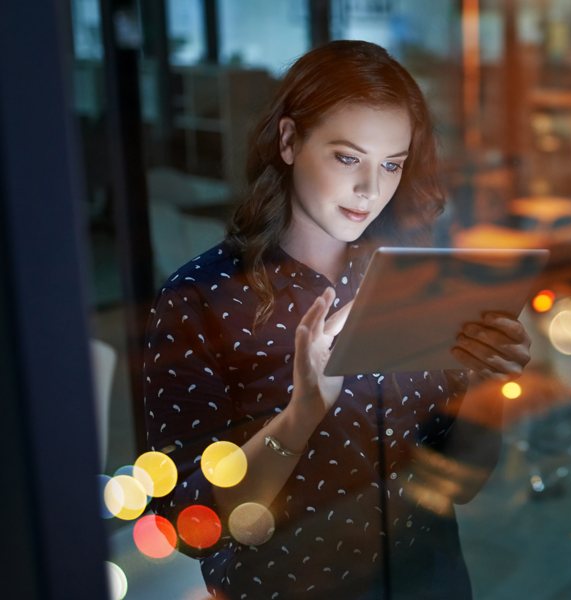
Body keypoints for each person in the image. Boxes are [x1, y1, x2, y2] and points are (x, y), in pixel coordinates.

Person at [142, 40, 530, 599]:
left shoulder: (410, 280)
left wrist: (488, 382)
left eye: (391, 164)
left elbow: (457, 482)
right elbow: (187, 522)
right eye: (348, 157)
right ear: (290, 140)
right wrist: (302, 415)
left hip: (431, 582)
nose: (370, 191)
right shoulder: (201, 299)